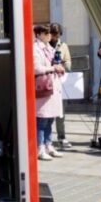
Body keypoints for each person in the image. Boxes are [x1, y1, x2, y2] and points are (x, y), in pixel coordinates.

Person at [33, 24, 66, 161]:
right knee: (42, 120)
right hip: (43, 88)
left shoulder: (50, 48)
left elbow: (56, 63)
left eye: (49, 33)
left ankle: (48, 145)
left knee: (50, 119)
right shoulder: (35, 48)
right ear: (39, 34)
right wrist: (53, 68)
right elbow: (36, 68)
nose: (49, 36)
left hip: (53, 87)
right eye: (46, 33)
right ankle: (40, 148)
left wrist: (60, 67)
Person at [49, 23, 72, 150]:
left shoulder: (63, 46)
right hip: (47, 82)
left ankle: (61, 137)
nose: (55, 38)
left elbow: (69, 63)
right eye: (53, 35)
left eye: (57, 36)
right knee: (47, 113)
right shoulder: (44, 46)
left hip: (60, 82)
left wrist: (63, 64)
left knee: (60, 112)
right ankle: (46, 139)